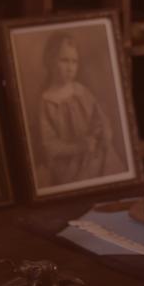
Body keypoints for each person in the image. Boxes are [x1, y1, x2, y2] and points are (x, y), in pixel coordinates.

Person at [38, 32, 122, 186]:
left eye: (74, 62)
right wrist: (78, 147)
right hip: (70, 163)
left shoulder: (81, 91)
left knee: (109, 162)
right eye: (64, 61)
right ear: (50, 61)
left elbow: (99, 117)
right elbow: (49, 145)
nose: (70, 68)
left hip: (94, 152)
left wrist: (102, 131)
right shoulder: (47, 102)